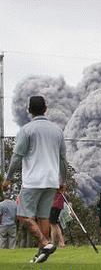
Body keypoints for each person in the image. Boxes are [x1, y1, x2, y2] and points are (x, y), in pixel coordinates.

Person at [1, 95, 68, 263]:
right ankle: (41, 253)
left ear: (29, 110)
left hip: (33, 181)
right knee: (43, 217)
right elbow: (62, 159)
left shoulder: (27, 130)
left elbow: (17, 157)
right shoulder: (57, 130)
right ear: (46, 108)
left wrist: (8, 178)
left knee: (24, 216)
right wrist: (63, 181)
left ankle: (45, 244)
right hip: (51, 181)